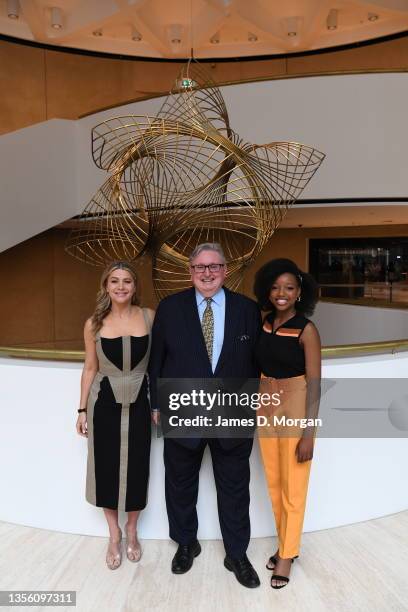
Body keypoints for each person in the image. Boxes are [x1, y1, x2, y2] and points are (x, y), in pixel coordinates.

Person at [149, 243, 262, 588]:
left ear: (225, 270)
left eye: (214, 266)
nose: (207, 273)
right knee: (180, 484)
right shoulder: (169, 308)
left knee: (235, 487)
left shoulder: (247, 309)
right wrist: (156, 404)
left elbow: (256, 362)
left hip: (232, 411)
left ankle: (237, 554)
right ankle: (186, 544)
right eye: (200, 267)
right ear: (190, 272)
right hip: (183, 408)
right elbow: (157, 360)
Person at [76, 261, 154, 570]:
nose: (121, 287)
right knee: (105, 465)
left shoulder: (149, 317)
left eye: (127, 282)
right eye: (114, 281)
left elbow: (160, 362)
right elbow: (90, 368)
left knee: (137, 465)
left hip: (140, 402)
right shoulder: (93, 324)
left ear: (135, 287)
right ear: (106, 286)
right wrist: (81, 409)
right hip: (103, 403)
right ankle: (114, 533)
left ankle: (132, 529)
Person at [253, 258, 321, 589]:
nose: (282, 293)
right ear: (268, 289)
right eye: (277, 286)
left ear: (299, 293)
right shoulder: (265, 323)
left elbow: (316, 384)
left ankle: (287, 555)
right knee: (274, 480)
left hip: (295, 403)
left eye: (289, 288)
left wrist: (309, 433)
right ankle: (286, 545)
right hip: (266, 401)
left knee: (294, 484)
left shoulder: (307, 330)